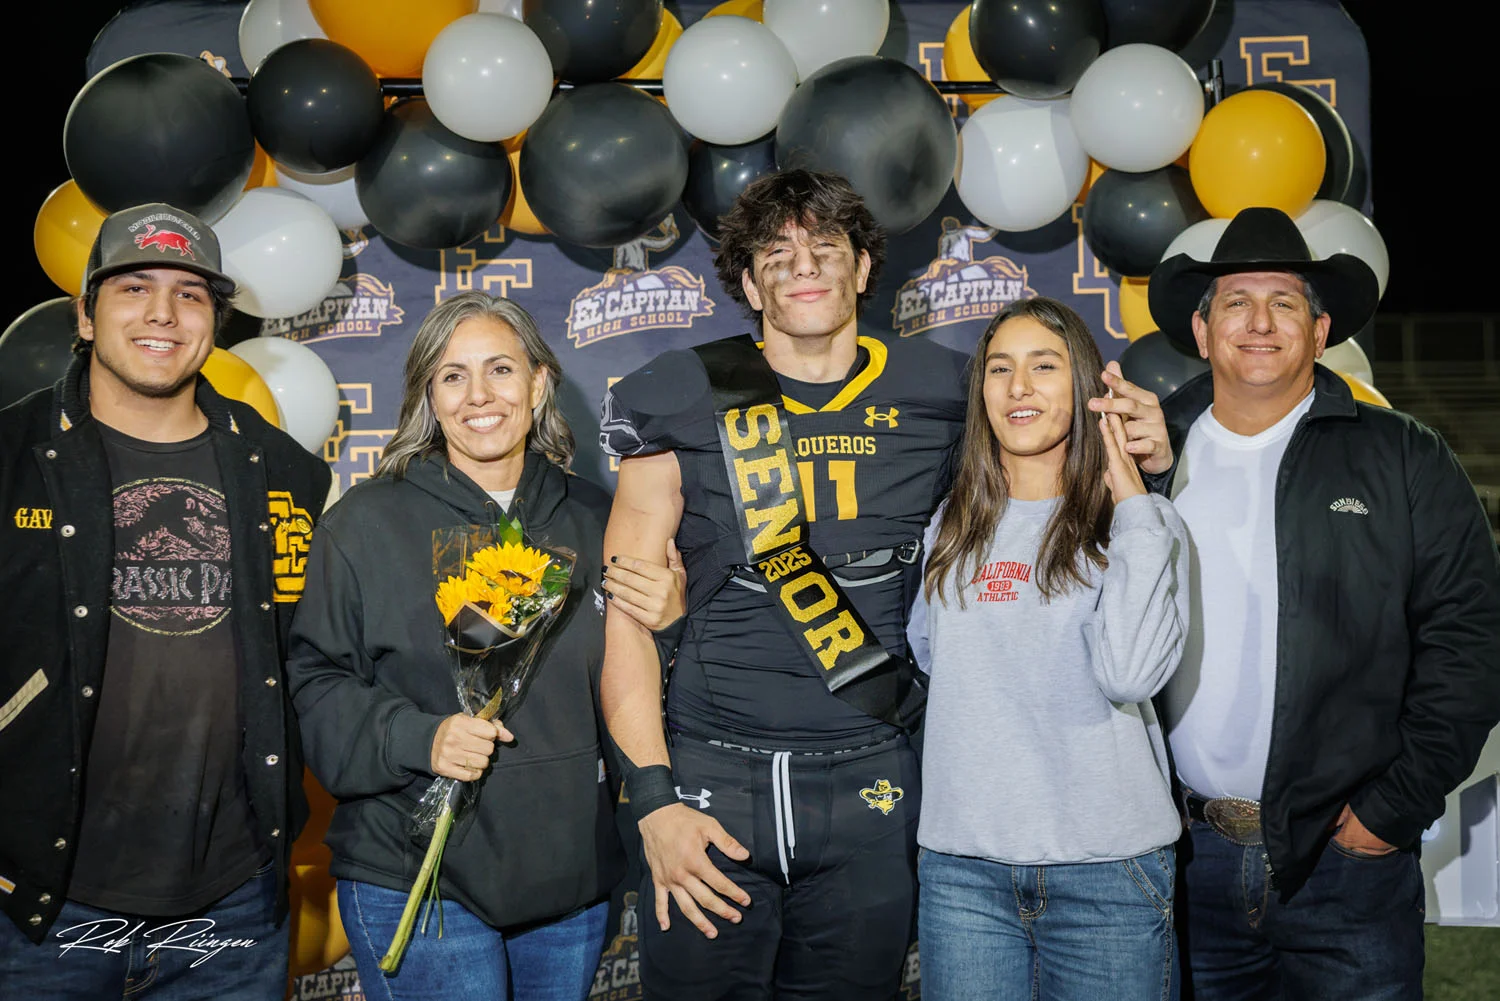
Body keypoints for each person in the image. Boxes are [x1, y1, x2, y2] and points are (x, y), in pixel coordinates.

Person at [596, 169, 1176, 1000]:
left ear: (864, 269)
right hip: (712, 777)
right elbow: (627, 619)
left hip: (873, 776)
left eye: (827, 247)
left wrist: (1150, 452)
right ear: (750, 280)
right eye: (778, 251)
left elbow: (1056, 490)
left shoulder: (952, 391)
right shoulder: (679, 392)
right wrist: (652, 799)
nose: (804, 266)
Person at [283, 291, 681, 1001]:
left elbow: (643, 688)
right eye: (452, 375)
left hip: (569, 882)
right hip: (415, 873)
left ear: (539, 382)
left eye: (500, 369)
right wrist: (419, 736)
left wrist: (671, 621)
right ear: (428, 398)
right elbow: (315, 682)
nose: (479, 396)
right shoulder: (364, 523)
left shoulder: (598, 517)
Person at [1145, 207, 1500, 998]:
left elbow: (1470, 643)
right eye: (1236, 301)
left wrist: (1387, 813)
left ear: (1319, 327)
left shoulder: (1403, 455)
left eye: (1285, 302)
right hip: (1183, 859)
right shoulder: (1149, 458)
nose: (1260, 322)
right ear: (1203, 331)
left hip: (1347, 871)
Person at [0, 202, 332, 999]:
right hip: (40, 903)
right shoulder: (11, 458)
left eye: (189, 294)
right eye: (133, 287)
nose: (162, 313)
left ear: (214, 324)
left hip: (232, 902)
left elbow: (315, 657)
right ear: (84, 314)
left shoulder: (283, 469)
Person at [908, 297, 1190, 1001]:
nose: (1019, 387)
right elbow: (931, 653)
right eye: (999, 369)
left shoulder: (1143, 526)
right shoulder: (951, 522)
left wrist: (1132, 500)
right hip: (963, 872)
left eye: (1044, 366)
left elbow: (1129, 673)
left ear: (1088, 386)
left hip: (1107, 870)